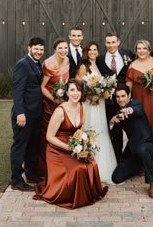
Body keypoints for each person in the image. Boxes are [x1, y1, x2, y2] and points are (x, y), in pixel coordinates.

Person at [33, 79, 108, 209]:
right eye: (72, 90)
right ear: (67, 92)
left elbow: (80, 129)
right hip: (57, 149)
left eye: (78, 90)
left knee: (92, 163)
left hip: (74, 145)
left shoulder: (82, 107)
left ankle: (88, 194)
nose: (75, 93)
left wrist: (85, 140)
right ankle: (71, 194)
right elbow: (49, 137)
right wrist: (68, 147)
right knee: (77, 169)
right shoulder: (60, 111)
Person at [97, 32, 153, 162]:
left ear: (118, 42)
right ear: (105, 43)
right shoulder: (100, 59)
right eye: (108, 42)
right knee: (115, 131)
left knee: (135, 128)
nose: (111, 45)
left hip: (126, 98)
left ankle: (141, 156)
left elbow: (143, 53)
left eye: (113, 42)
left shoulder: (127, 54)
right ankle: (116, 160)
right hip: (110, 100)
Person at [76, 41, 117, 184]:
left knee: (101, 130)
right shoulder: (83, 67)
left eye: (95, 49)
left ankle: (102, 167)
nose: (92, 52)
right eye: (90, 50)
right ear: (86, 52)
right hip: (89, 104)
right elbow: (78, 86)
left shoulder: (98, 65)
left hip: (100, 104)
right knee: (90, 129)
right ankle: (87, 165)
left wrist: (104, 92)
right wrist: (88, 95)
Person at [110, 84, 153, 198]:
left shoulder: (135, 104)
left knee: (142, 149)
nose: (120, 99)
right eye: (118, 97)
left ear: (129, 95)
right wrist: (112, 123)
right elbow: (117, 139)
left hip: (150, 147)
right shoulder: (118, 113)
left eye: (123, 96)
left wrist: (130, 110)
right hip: (134, 151)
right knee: (116, 178)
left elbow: (137, 109)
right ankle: (142, 166)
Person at [10, 37, 45, 191]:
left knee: (32, 146)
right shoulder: (22, 64)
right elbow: (17, 91)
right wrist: (20, 113)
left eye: (41, 50)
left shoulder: (37, 64)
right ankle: (16, 180)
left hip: (36, 113)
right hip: (24, 114)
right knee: (20, 146)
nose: (39, 52)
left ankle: (31, 174)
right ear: (29, 48)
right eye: (36, 49)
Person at [126, 39, 153, 152]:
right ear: (136, 51)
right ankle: (142, 160)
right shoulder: (132, 65)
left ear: (149, 50)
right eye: (139, 48)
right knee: (141, 128)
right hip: (139, 101)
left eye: (144, 48)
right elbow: (128, 86)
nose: (141, 51)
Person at [38, 38, 69, 177]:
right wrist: (54, 99)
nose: (63, 50)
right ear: (55, 49)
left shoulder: (67, 60)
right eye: (60, 48)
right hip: (49, 103)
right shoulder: (49, 64)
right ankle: (45, 167)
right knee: (49, 134)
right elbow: (42, 87)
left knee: (62, 134)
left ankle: (61, 163)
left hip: (62, 101)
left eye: (65, 48)